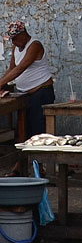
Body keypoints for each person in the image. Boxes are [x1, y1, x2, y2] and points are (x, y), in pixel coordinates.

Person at [0, 21, 55, 175]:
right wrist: (3, 83)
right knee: (22, 131)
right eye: (11, 39)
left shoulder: (35, 45)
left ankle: (42, 168)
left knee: (39, 131)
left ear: (24, 34)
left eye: (15, 38)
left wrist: (0, 83)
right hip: (25, 95)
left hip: (41, 92)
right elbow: (11, 68)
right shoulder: (16, 47)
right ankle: (19, 166)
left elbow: (20, 68)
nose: (13, 42)